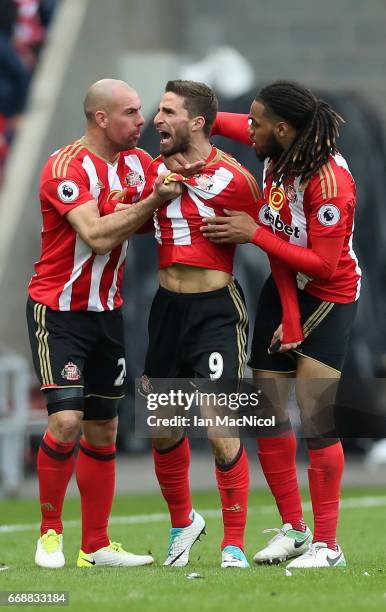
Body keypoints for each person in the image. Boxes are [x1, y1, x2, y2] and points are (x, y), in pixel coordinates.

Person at [26, 78, 186, 569]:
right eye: (132, 113)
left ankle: (94, 545)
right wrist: (153, 203)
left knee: (102, 429)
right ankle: (49, 535)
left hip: (107, 313)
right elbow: (95, 235)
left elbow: (172, 185)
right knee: (67, 420)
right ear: (101, 118)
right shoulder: (66, 167)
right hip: (59, 312)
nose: (144, 122)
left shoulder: (139, 164)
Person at [202, 80, 361, 569]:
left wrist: (254, 234)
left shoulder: (329, 182)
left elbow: (325, 266)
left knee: (316, 422)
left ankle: (328, 546)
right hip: (285, 286)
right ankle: (294, 530)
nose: (246, 129)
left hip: (329, 296)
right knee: (268, 415)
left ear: (283, 128)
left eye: (256, 122)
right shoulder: (277, 151)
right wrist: (186, 119)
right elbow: (219, 124)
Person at [139, 79, 262, 569]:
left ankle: (233, 544)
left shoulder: (235, 178)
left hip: (215, 311)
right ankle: (183, 525)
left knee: (219, 426)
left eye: (168, 112)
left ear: (196, 122)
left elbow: (269, 236)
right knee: (164, 430)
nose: (156, 120)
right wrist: (149, 199)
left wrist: (248, 236)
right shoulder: (153, 172)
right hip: (167, 310)